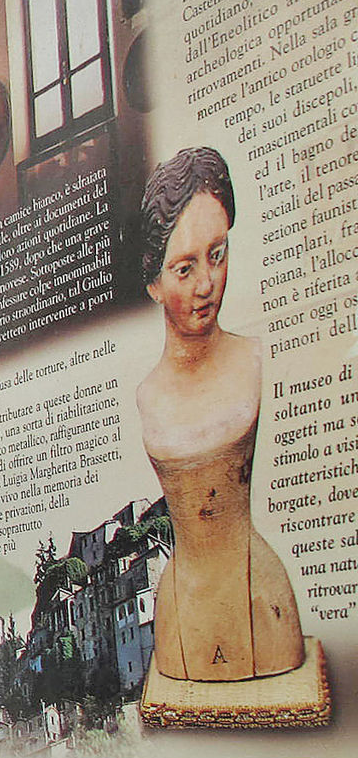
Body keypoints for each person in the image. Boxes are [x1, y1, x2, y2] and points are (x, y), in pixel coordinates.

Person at [135, 147, 305, 683]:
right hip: (181, 617)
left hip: (262, 604)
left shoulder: (254, 358)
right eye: (184, 268)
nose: (207, 284)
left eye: (218, 254)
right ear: (154, 283)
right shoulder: (147, 395)